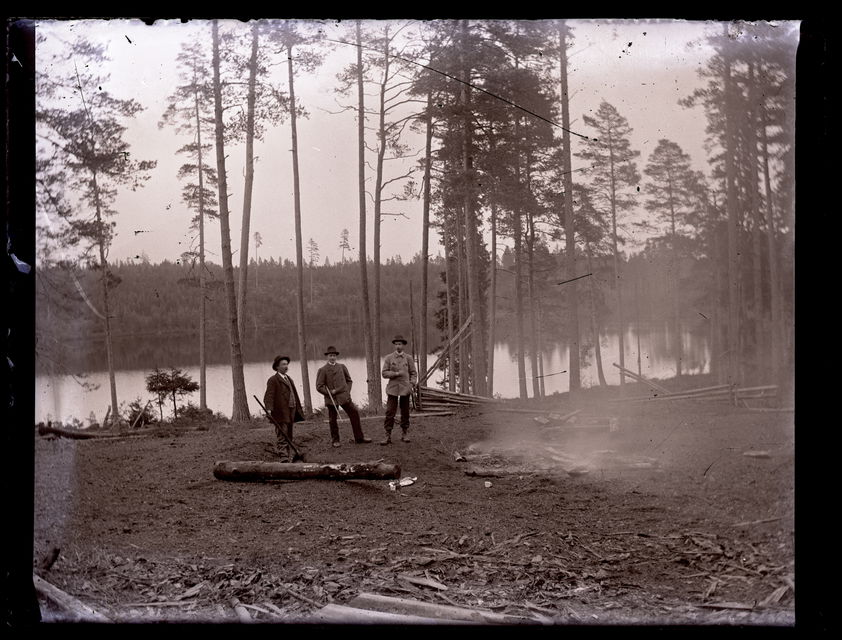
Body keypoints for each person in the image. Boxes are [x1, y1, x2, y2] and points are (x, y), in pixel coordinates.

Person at [315, 346, 371, 447]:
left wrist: (347, 392)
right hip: (331, 399)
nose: (332, 357)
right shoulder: (322, 370)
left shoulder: (342, 367)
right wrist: (329, 392)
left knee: (354, 413)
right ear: (327, 357)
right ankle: (335, 440)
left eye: (334, 356)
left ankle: (359, 438)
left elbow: (349, 381)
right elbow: (319, 386)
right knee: (333, 420)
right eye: (330, 356)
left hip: (344, 397)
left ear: (336, 356)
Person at [263, 355, 304, 462]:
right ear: (277, 367)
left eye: (287, 364)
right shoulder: (273, 380)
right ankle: (283, 458)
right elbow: (269, 396)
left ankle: (288, 455)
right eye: (283, 364)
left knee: (289, 435)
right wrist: (269, 409)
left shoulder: (289, 378)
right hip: (280, 412)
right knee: (282, 435)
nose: (286, 367)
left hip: (291, 411)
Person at [380, 334, 417, 445]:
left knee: (405, 411)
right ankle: (387, 435)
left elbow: (413, 373)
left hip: (405, 389)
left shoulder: (409, 358)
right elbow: (384, 373)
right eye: (396, 344)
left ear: (403, 345)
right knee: (390, 411)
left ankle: (405, 433)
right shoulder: (389, 358)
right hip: (393, 388)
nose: (398, 346)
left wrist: (412, 383)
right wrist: (395, 373)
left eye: (400, 344)